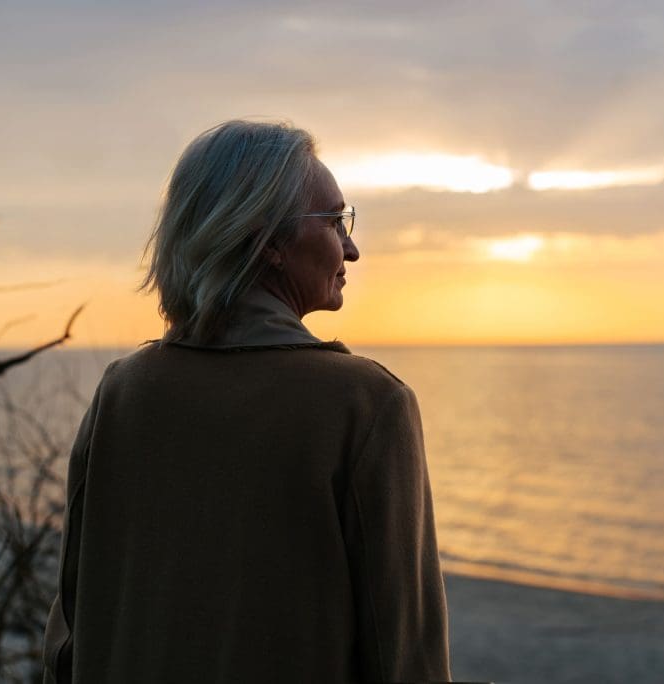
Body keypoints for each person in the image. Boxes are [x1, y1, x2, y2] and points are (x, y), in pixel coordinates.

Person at [42, 120, 450, 683]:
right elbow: (405, 658)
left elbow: (68, 636)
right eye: (335, 222)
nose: (351, 248)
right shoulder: (367, 406)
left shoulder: (124, 391)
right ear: (271, 241)